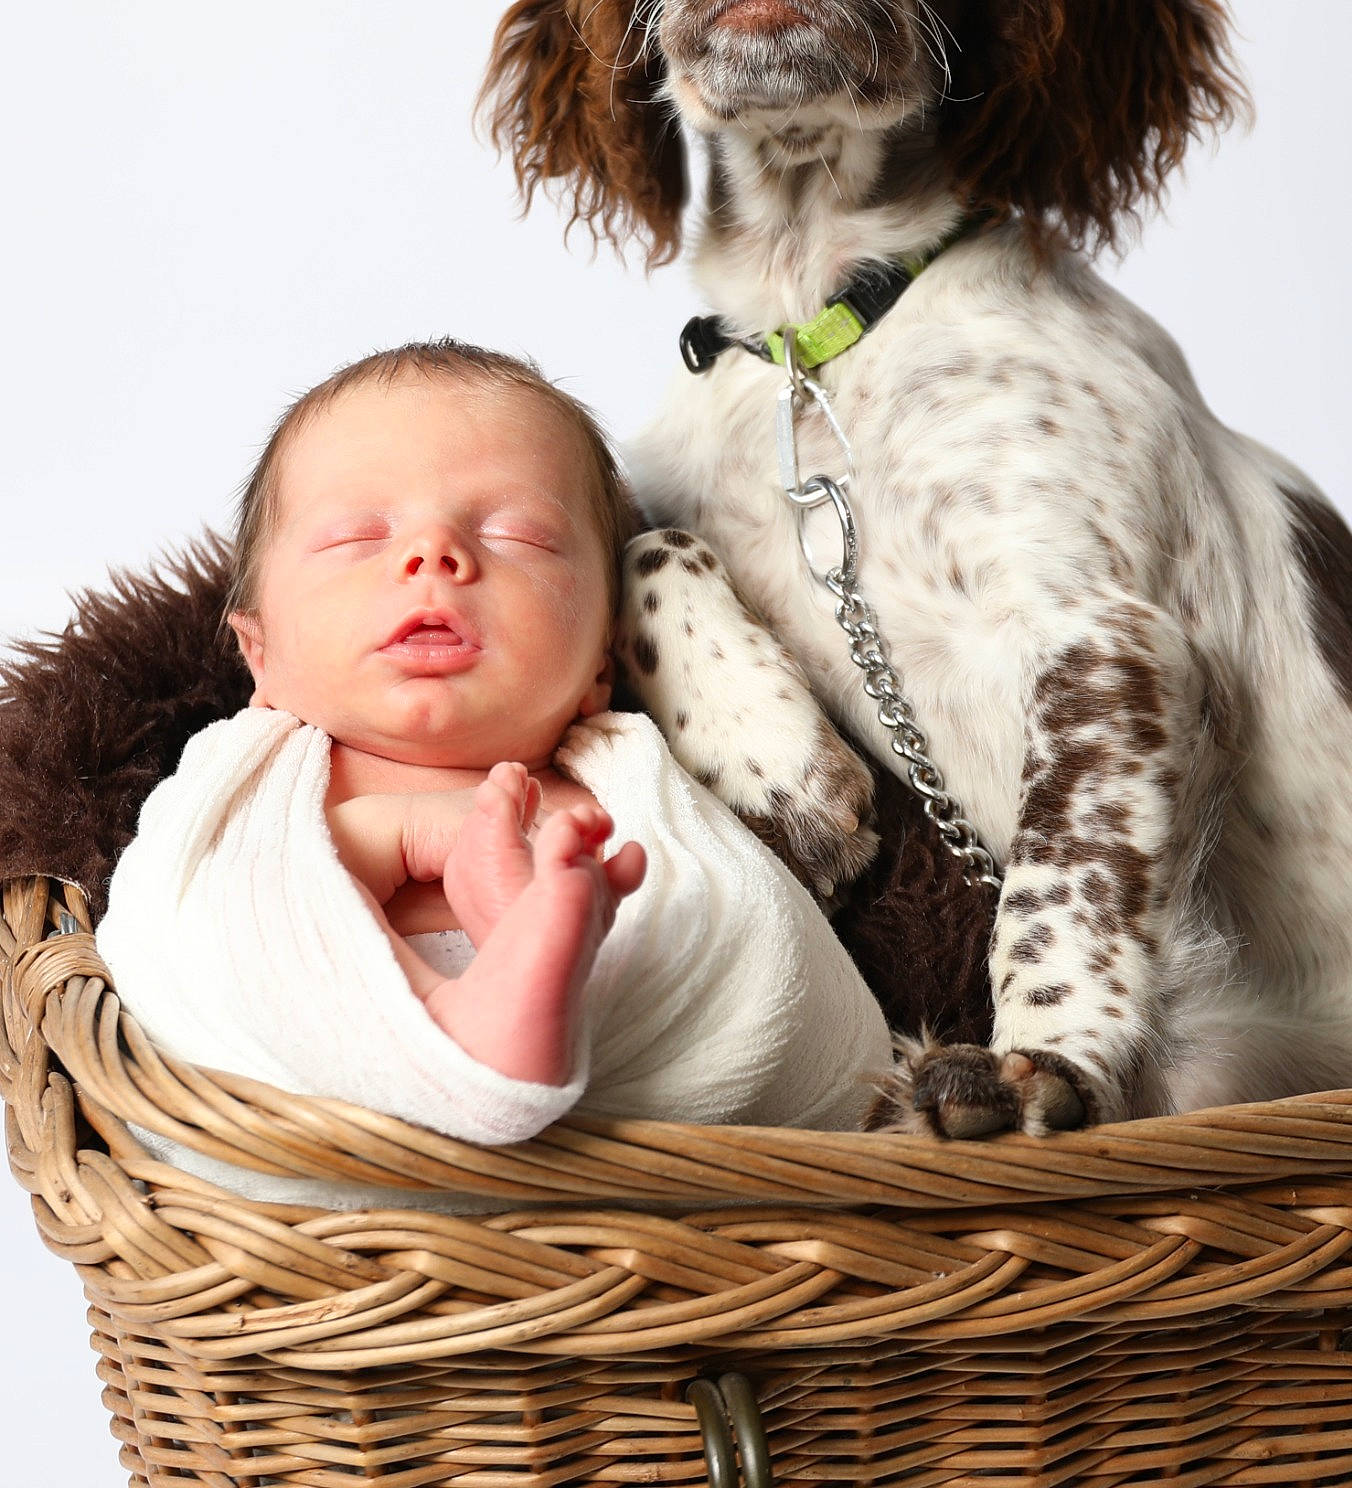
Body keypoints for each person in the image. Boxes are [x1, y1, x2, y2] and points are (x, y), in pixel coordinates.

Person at [96, 342, 891, 1192]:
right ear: (260, 655)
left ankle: (535, 986)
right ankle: (473, 1030)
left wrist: (581, 923)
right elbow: (175, 930)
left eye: (517, 534)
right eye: (357, 536)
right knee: (227, 921)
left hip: (628, 1137)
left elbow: (774, 968)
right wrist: (389, 837)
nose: (434, 554)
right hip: (319, 1096)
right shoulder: (258, 784)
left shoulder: (623, 784)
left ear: (602, 660)